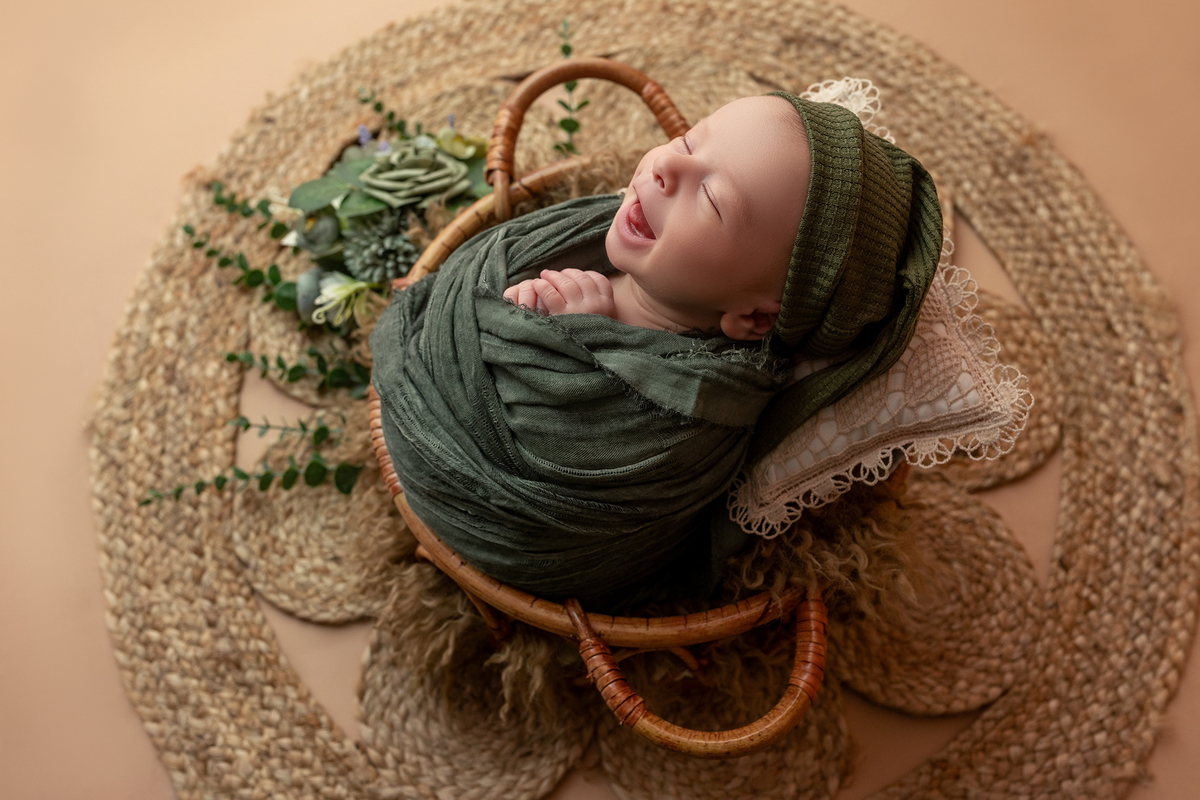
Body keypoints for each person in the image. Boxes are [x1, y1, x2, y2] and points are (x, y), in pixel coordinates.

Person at [370, 89, 943, 610]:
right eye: (689, 140)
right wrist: (514, 316)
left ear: (753, 316)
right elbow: (477, 279)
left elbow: (570, 464)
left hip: (510, 525)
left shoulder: (697, 411)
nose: (666, 165)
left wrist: (572, 344)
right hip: (432, 402)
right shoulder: (587, 236)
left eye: (713, 198)